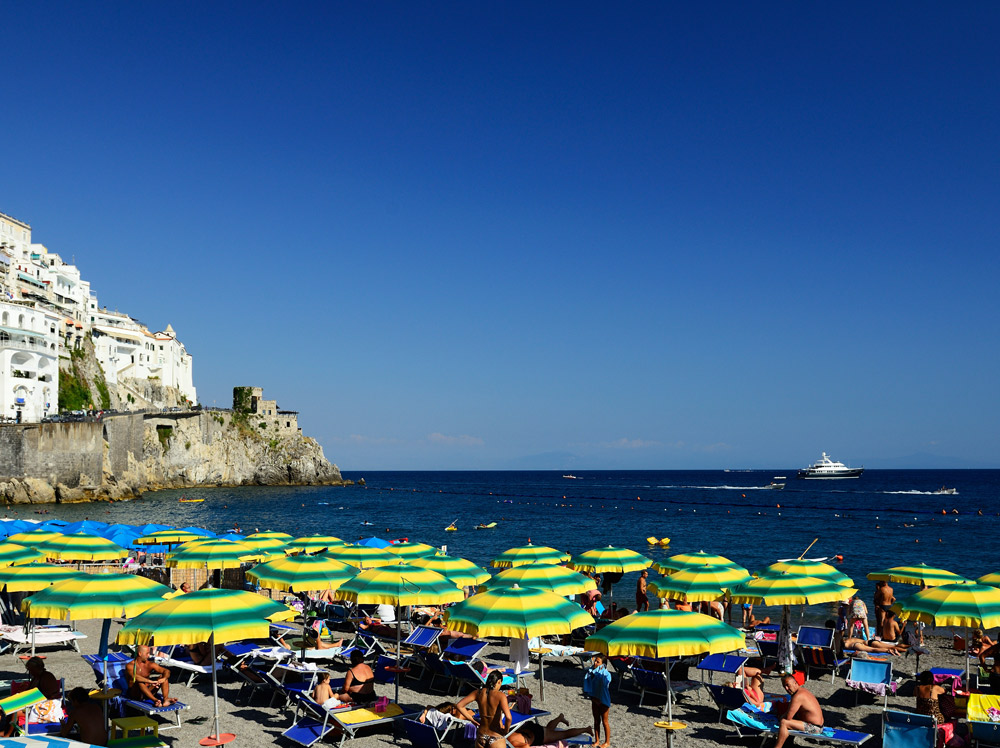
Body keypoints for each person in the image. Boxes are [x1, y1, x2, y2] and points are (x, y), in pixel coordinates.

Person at [456, 670, 512, 748]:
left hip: (481, 735)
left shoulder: (478, 692)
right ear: (499, 681)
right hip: (495, 736)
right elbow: (508, 717)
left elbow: (459, 705)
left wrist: (471, 719)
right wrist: (506, 730)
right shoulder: (500, 695)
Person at [774, 674, 824, 748]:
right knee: (788, 719)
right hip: (816, 725)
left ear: (795, 683)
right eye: (784, 686)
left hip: (815, 728)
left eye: (788, 685)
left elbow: (788, 716)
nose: (786, 688)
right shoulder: (801, 691)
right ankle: (788, 743)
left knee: (784, 722)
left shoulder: (798, 696)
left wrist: (781, 717)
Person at [509, 713, 594, 747]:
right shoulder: (505, 738)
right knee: (548, 729)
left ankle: (586, 729)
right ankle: (560, 718)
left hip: (538, 735)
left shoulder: (512, 743)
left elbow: (526, 746)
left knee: (564, 734)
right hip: (529, 729)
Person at [583, 654, 612, 748]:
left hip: (603, 700)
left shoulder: (606, 674)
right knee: (596, 721)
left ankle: (607, 742)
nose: (595, 663)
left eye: (597, 662)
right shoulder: (591, 672)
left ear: (603, 665)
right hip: (594, 699)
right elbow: (588, 684)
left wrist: (601, 675)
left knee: (605, 721)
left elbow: (606, 684)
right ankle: (597, 740)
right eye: (595, 661)